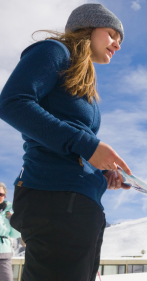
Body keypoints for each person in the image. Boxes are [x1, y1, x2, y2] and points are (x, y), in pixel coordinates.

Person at [0, 4, 132, 281]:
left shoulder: (83, 77)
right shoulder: (54, 51)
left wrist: (101, 173)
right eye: (111, 34)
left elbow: (73, 142)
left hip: (80, 202)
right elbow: (12, 103)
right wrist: (88, 146)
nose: (117, 44)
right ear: (88, 27)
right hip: (55, 198)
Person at [0, 183, 20, 281]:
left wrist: (13, 220)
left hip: (4, 254)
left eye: (1, 194)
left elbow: (14, 234)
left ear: (5, 196)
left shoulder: (8, 213)